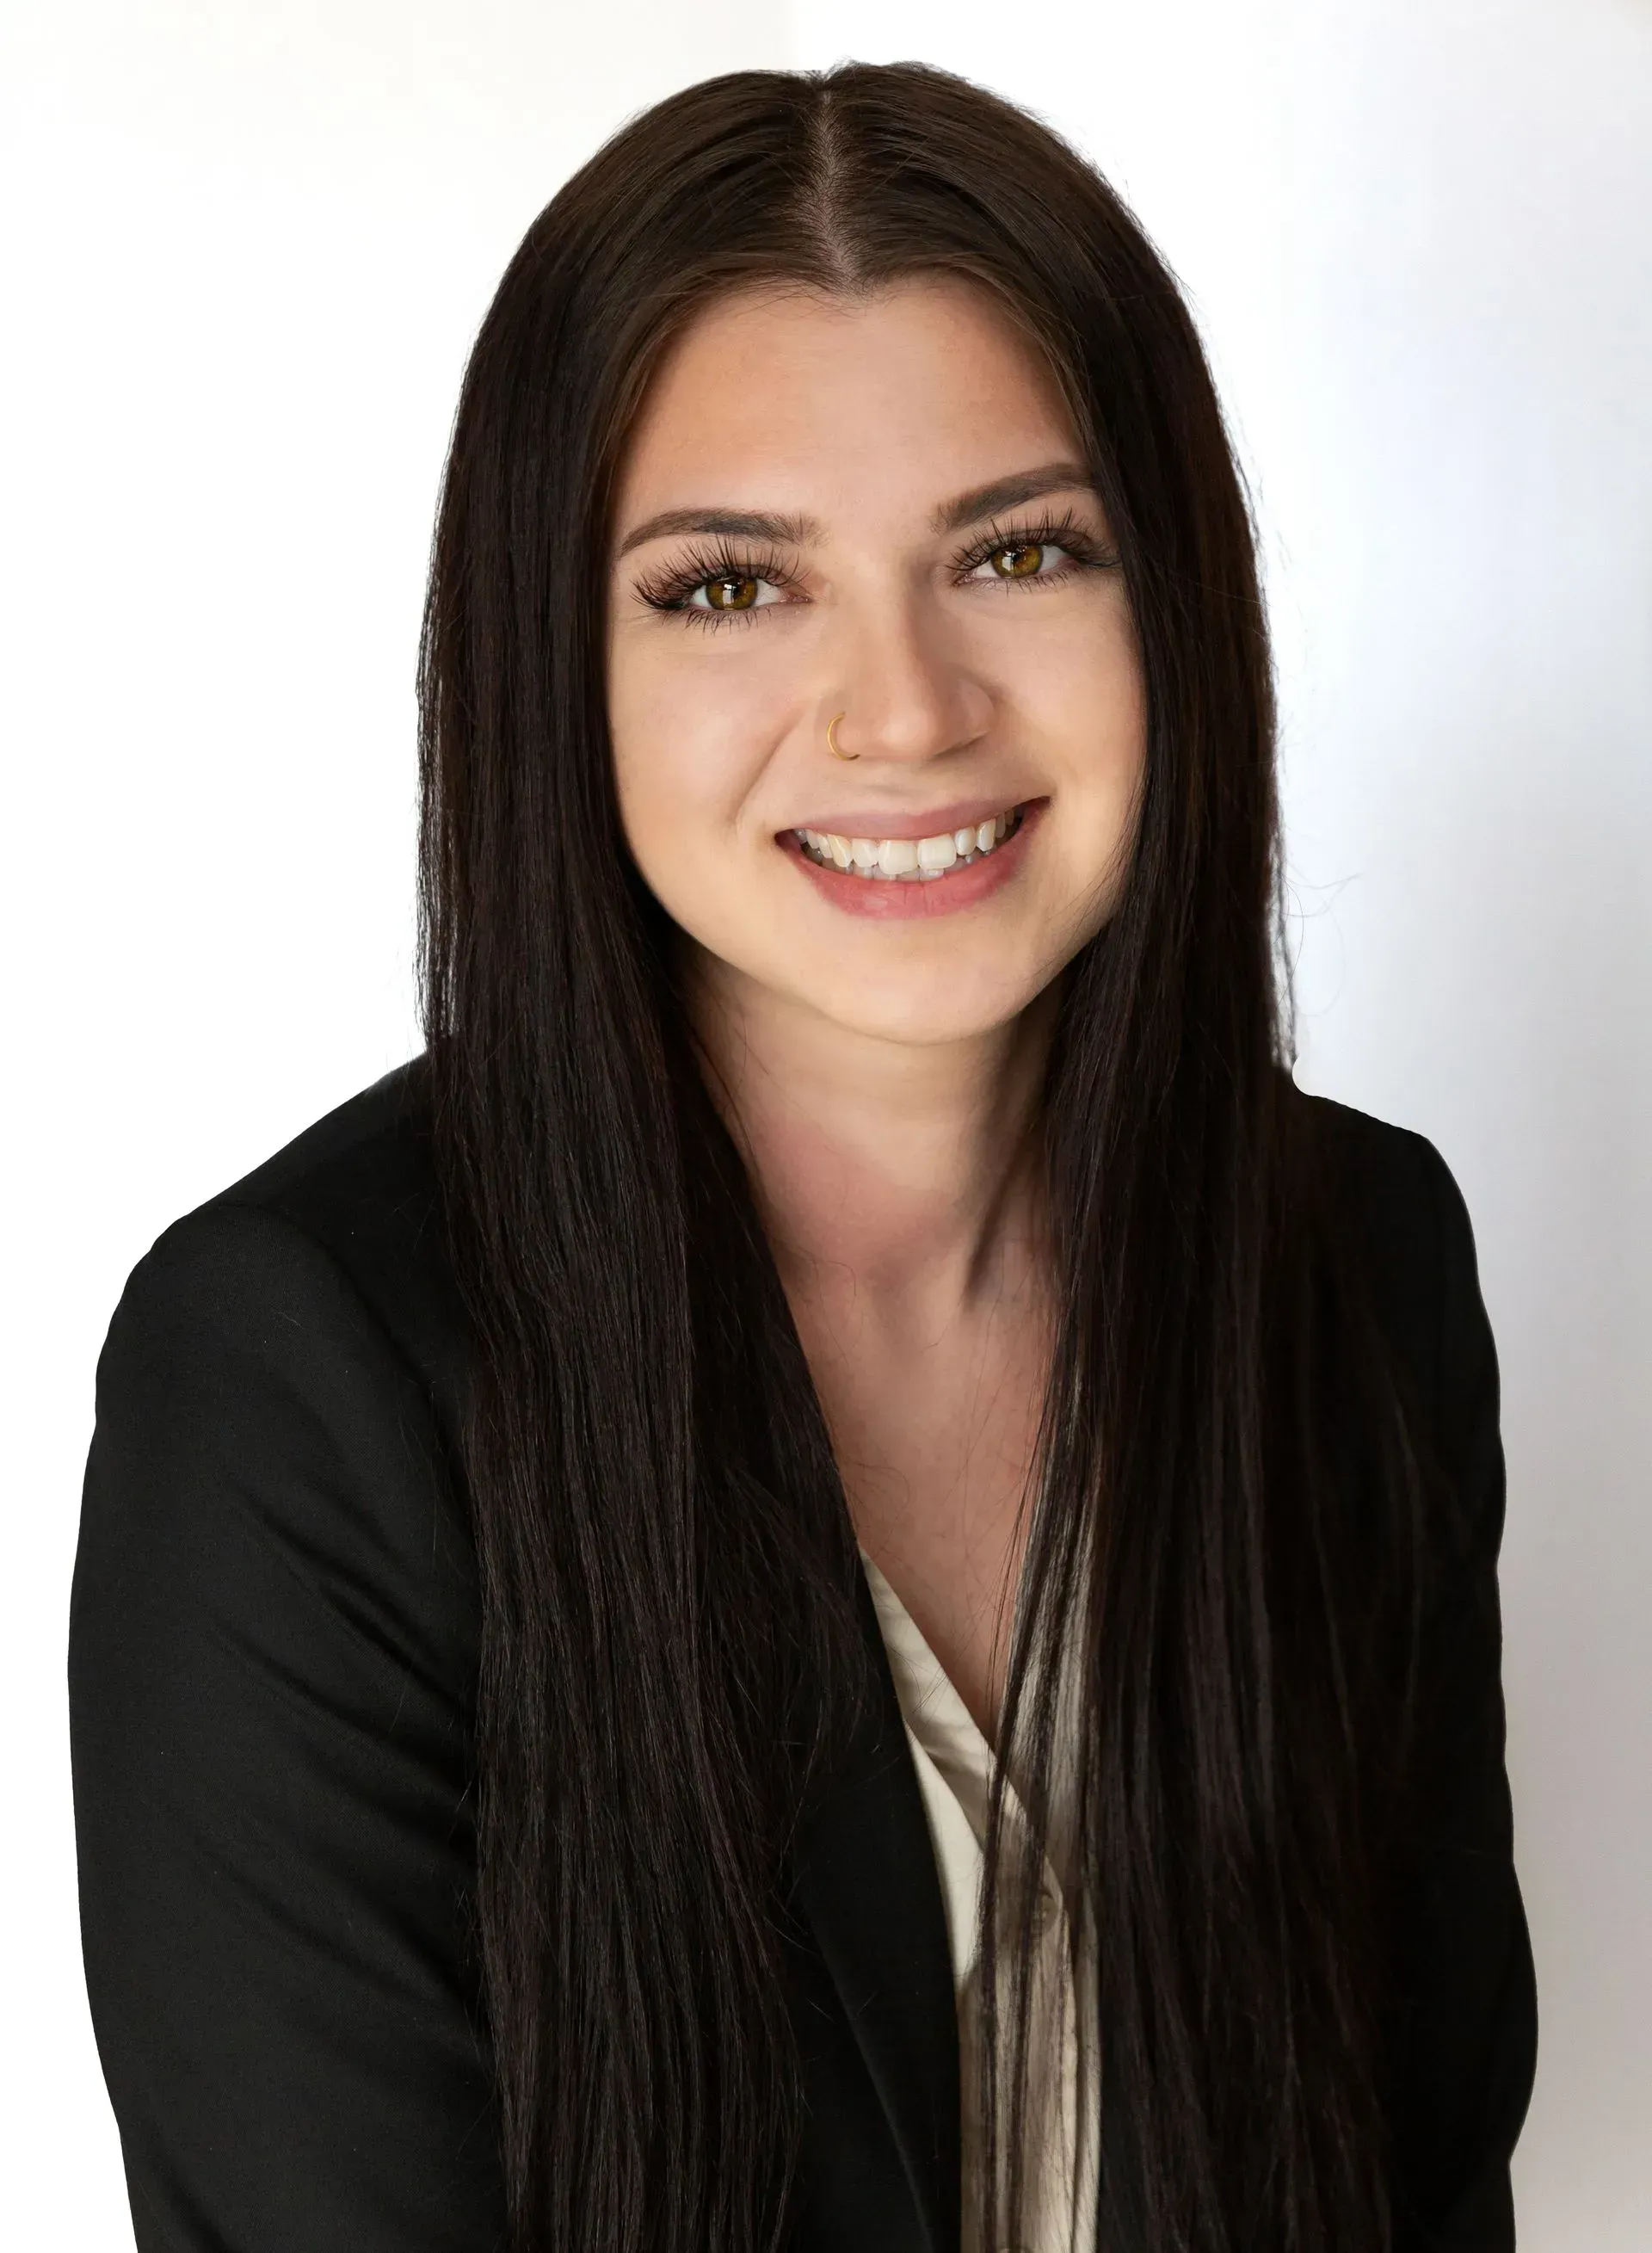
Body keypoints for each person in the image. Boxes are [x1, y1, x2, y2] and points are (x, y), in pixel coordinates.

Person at [67, 59, 1537, 2253]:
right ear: (548, 659)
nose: (907, 709)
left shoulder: (1356, 1264)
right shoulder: (296, 1379)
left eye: (1023, 551)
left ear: (1183, 610)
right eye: (732, 589)